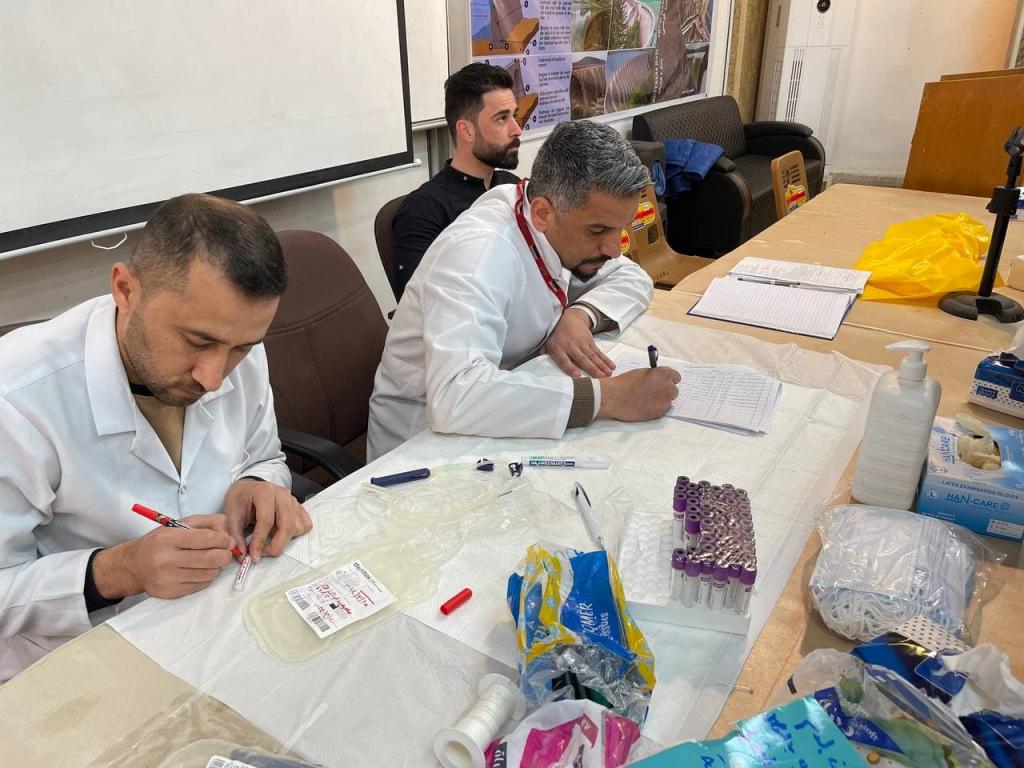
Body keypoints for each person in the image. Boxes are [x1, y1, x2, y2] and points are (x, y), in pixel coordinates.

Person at [0, 193, 311, 681]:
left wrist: (258, 484)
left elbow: (264, 455)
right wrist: (119, 570)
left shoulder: (236, 343)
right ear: (125, 289)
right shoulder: (17, 398)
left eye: (241, 349)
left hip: (218, 616)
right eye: (197, 341)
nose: (214, 378)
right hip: (82, 658)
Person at [367, 120, 681, 460]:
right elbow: (457, 395)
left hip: (500, 408)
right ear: (544, 212)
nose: (614, 249)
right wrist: (608, 397)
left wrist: (579, 316)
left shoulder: (543, 216)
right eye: (598, 231)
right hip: (419, 446)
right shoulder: (478, 254)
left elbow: (633, 278)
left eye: (619, 230)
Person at [390, 62, 523, 298]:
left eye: (515, 115)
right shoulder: (425, 210)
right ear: (466, 131)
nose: (517, 129)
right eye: (502, 118)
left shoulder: (512, 186)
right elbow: (419, 303)